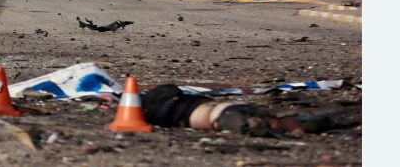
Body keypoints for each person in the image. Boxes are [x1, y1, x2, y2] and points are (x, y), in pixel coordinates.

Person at [141, 84, 361, 137]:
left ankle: (309, 123)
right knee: (283, 121)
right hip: (229, 109)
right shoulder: (182, 102)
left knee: (271, 124)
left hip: (222, 117)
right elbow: (174, 90)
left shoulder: (159, 113)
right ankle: (333, 119)